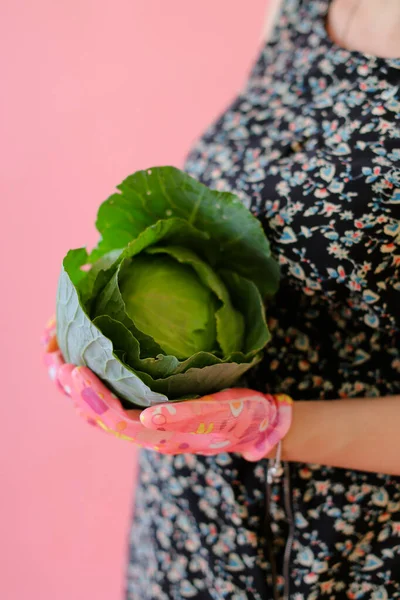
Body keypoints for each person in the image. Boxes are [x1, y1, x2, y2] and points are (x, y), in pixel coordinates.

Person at [44, 0, 400, 597]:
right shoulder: (299, 8)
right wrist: (94, 320)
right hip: (190, 526)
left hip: (344, 550)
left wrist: (269, 427)